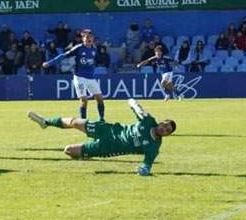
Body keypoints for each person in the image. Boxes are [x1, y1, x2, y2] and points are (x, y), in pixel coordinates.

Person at [27, 98, 176, 176]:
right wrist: (134, 103)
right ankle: (46, 122)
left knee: (68, 150)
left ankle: (85, 153)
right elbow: (135, 106)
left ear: (167, 135)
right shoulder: (148, 121)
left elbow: (147, 164)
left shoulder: (154, 147)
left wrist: (143, 170)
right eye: (164, 125)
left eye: (167, 130)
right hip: (107, 130)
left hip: (107, 148)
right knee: (75, 122)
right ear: (161, 122)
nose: (163, 129)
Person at [42, 29, 105, 121]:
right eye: (86, 37)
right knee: (84, 101)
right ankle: (83, 121)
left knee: (99, 98)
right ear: (83, 39)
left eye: (90, 37)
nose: (89, 39)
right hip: (80, 78)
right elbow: (63, 55)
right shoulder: (78, 48)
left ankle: (101, 119)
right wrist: (50, 63)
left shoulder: (94, 49)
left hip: (91, 78)